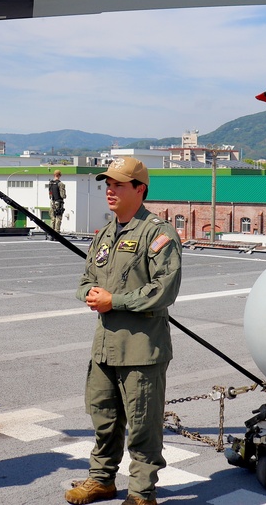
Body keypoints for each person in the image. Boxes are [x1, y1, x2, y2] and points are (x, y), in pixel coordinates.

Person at [66, 156, 181, 505]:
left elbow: (164, 290)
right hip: (105, 347)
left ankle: (142, 493)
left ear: (140, 189)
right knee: (103, 416)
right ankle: (101, 480)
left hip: (141, 350)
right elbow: (87, 277)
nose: (110, 190)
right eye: (108, 184)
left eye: (118, 184)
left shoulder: (158, 233)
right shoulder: (104, 234)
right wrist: (88, 293)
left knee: (143, 425)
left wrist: (114, 300)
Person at [48, 169, 67, 233]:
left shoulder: (50, 183)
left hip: (52, 201)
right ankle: (57, 231)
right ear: (59, 175)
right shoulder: (60, 184)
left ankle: (51, 231)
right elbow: (63, 195)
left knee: (53, 218)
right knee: (58, 217)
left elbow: (50, 194)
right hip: (58, 202)